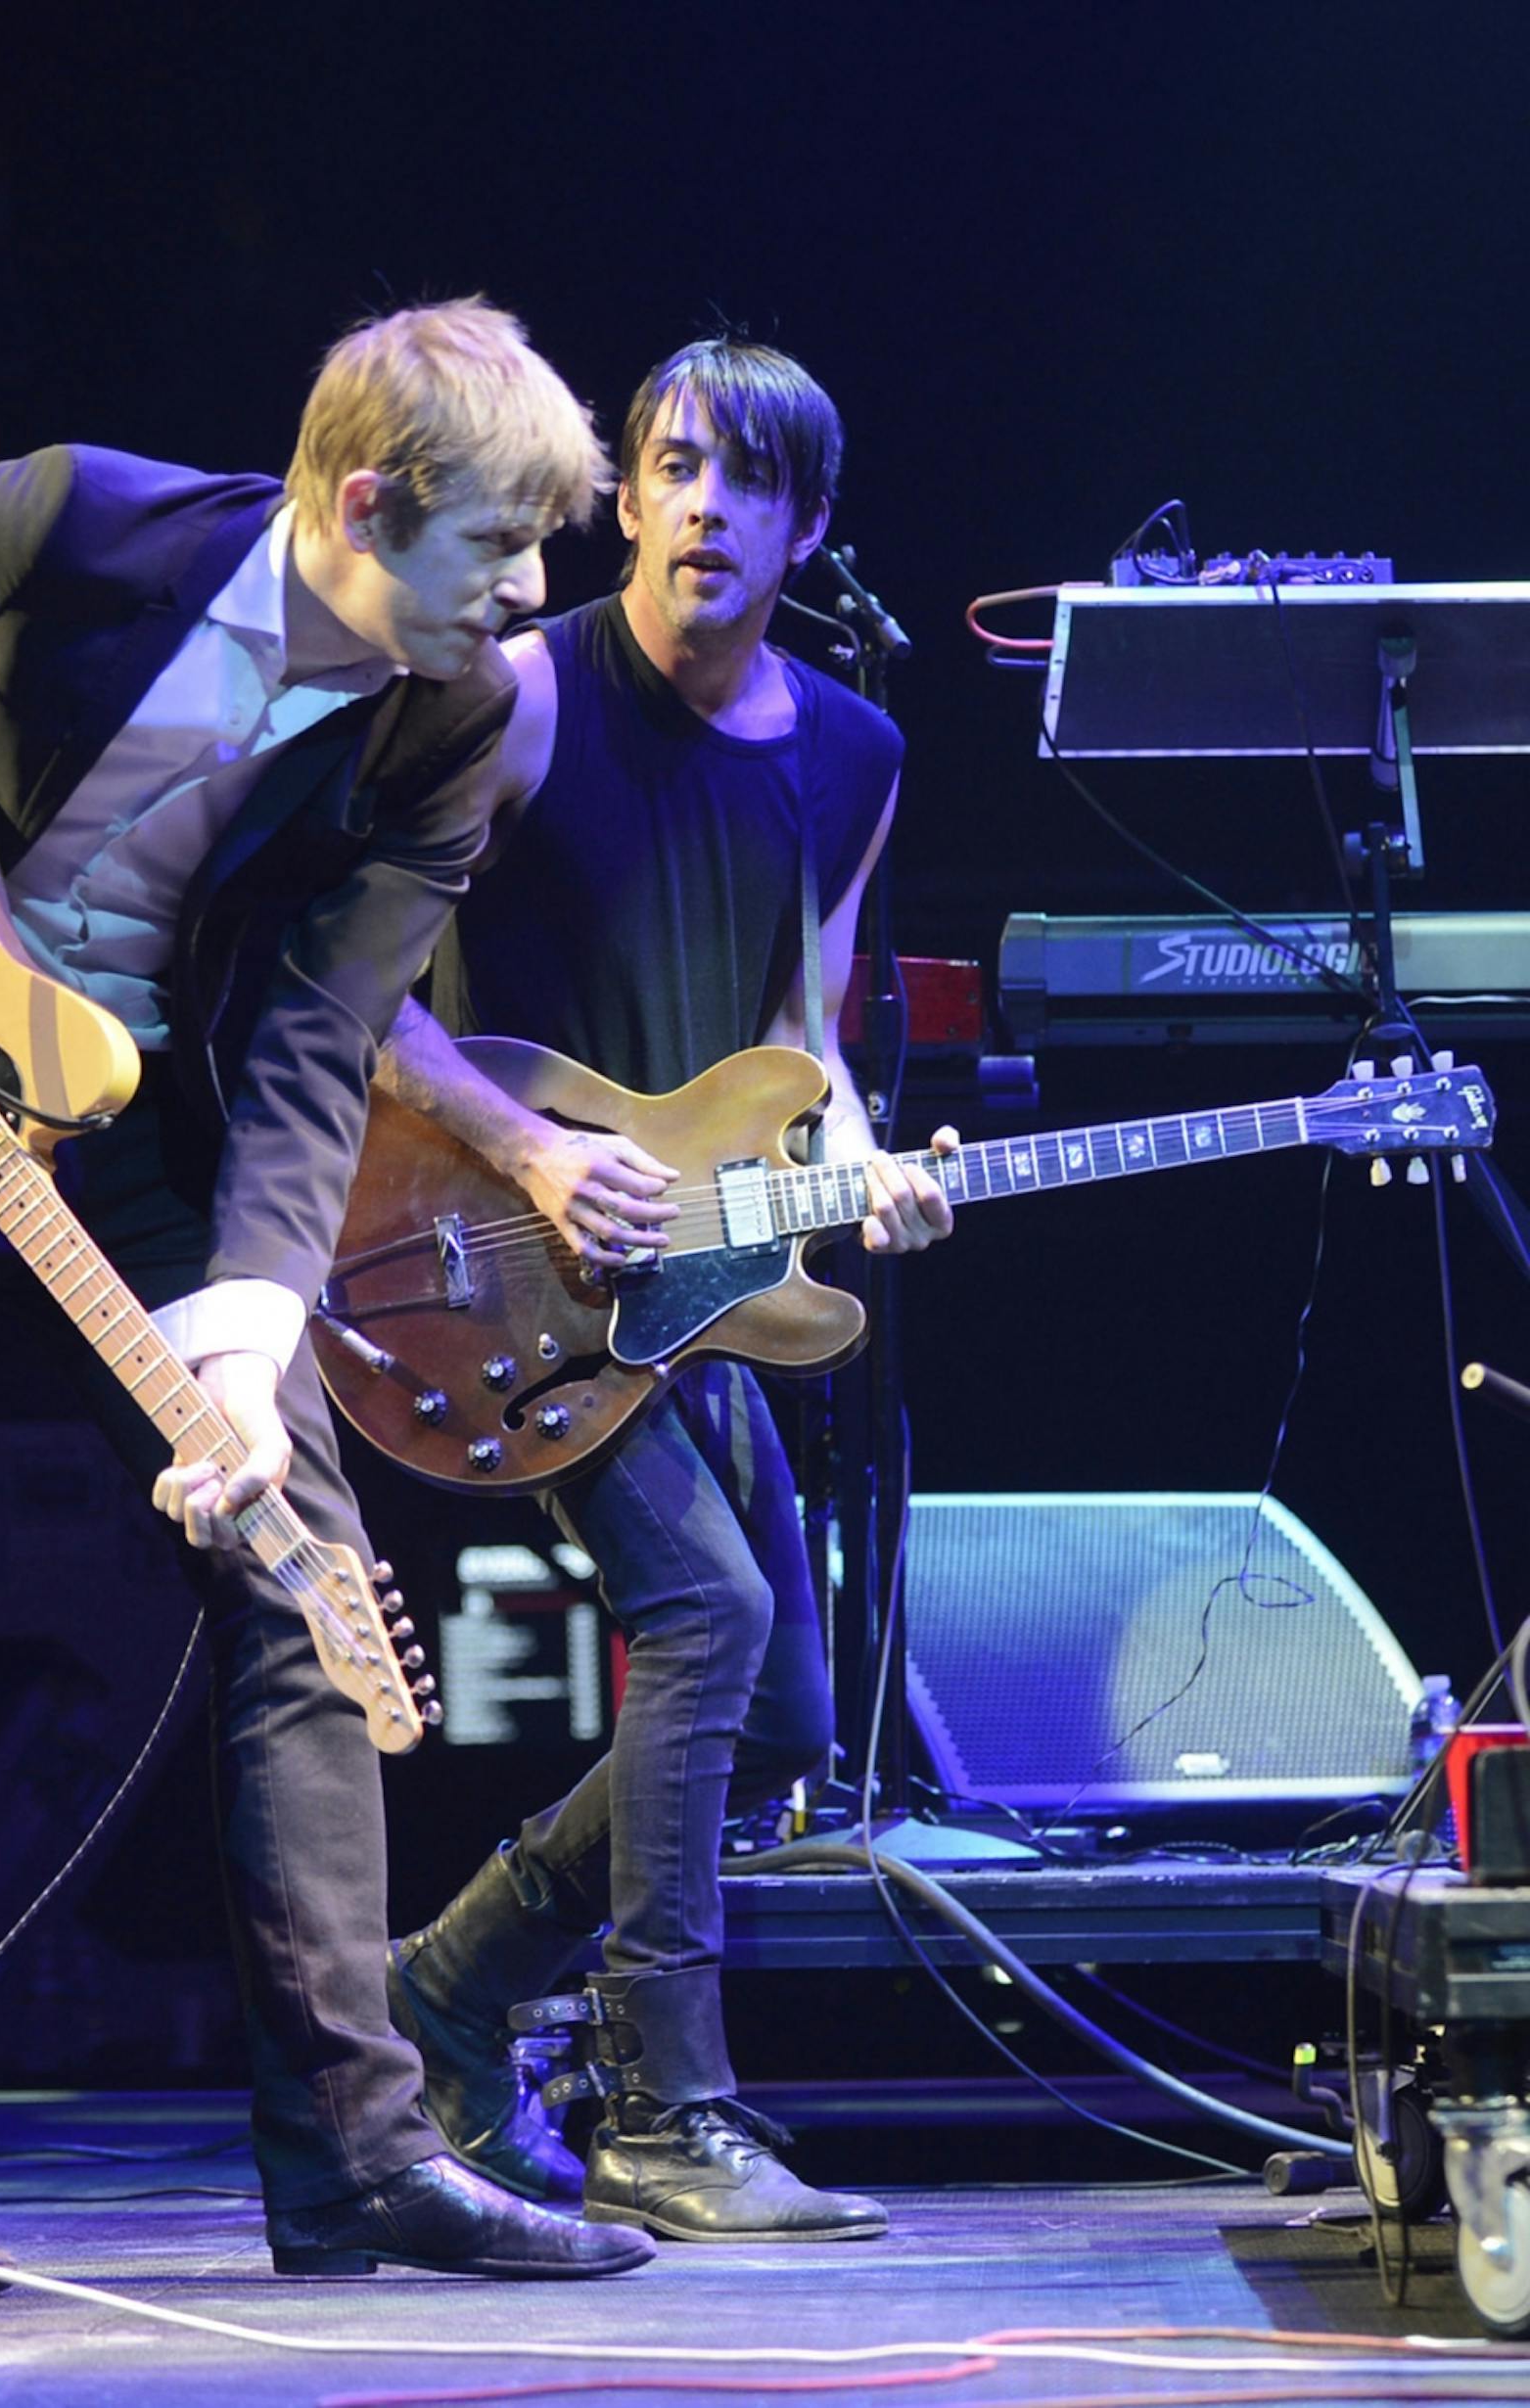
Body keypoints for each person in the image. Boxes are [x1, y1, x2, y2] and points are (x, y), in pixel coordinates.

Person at [0, 300, 656, 2296]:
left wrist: (247, 1316)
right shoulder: (88, 528)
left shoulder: (453, 716)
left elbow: (323, 1033)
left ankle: (358, 2161)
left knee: (297, 1562)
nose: (537, 590)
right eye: (501, 547)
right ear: (371, 503)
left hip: (136, 1118)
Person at [374, 336, 955, 2244]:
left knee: (783, 1713)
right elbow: (348, 997)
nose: (705, 503)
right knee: (703, 1609)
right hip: (484, 1265)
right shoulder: (521, 699)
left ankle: (448, 1987)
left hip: (697, 1286)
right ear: (621, 495)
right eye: (674, 466)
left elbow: (804, 1034)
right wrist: (539, 1153)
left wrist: (862, 1163)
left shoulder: (853, 755)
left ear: (805, 523)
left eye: (748, 478)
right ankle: (661, 2107)